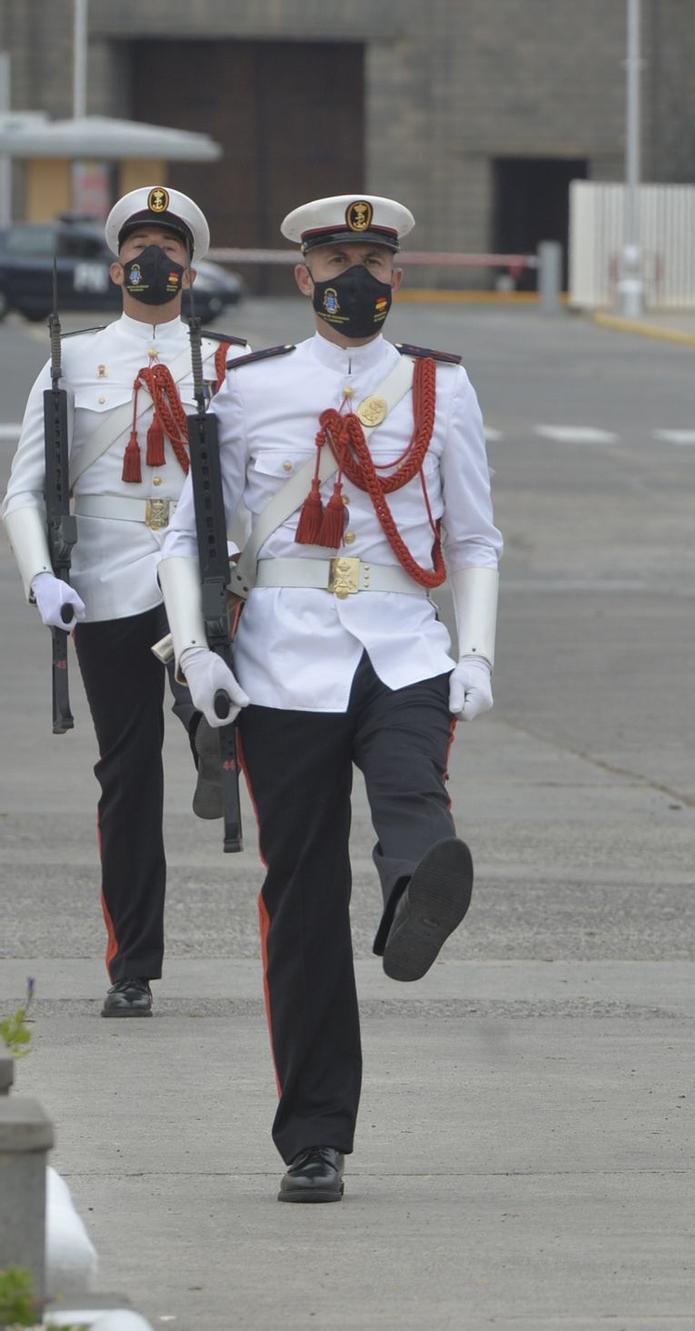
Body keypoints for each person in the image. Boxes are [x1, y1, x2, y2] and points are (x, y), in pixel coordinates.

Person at [156, 194, 501, 1203]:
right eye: (337, 259)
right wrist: (190, 650)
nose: (358, 276)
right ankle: (316, 1134)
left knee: (412, 794)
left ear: (397, 275)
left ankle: (412, 896)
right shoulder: (244, 385)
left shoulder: (442, 388)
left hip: (401, 643)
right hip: (279, 659)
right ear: (303, 276)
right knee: (301, 893)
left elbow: (474, 537)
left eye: (375, 259)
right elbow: (186, 535)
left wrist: (474, 651)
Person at [2, 185, 242, 1019]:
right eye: (140, 246)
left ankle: (213, 738)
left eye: (169, 248)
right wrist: (42, 578)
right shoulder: (69, 360)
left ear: (190, 266)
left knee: (210, 705)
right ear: (115, 267)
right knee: (127, 777)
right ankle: (132, 964)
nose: (154, 260)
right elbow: (22, 490)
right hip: (101, 586)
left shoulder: (226, 363)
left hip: (196, 579)